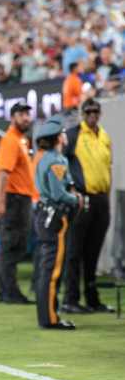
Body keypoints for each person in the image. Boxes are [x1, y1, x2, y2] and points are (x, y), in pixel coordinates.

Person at [60, 98, 114, 314]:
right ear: (82, 113)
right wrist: (70, 190)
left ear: (99, 113)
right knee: (74, 252)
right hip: (82, 200)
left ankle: (93, 299)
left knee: (92, 253)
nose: (92, 114)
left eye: (95, 111)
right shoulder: (73, 134)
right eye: (88, 111)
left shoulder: (104, 136)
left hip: (101, 200)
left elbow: (107, 168)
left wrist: (107, 200)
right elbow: (60, 162)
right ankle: (70, 300)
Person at [33, 114, 82, 330]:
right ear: (58, 137)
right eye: (63, 132)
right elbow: (58, 193)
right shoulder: (55, 160)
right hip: (54, 218)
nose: (66, 135)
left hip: (45, 215)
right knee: (52, 270)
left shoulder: (46, 158)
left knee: (48, 267)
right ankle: (50, 318)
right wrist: (77, 199)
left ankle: (49, 315)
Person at [0, 102, 36, 305]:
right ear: (12, 117)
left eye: (27, 114)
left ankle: (5, 290)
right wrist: (0, 201)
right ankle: (10, 292)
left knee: (12, 246)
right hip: (14, 199)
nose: (26, 118)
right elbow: (3, 172)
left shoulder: (22, 140)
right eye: (21, 114)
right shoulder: (11, 140)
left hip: (19, 199)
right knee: (11, 246)